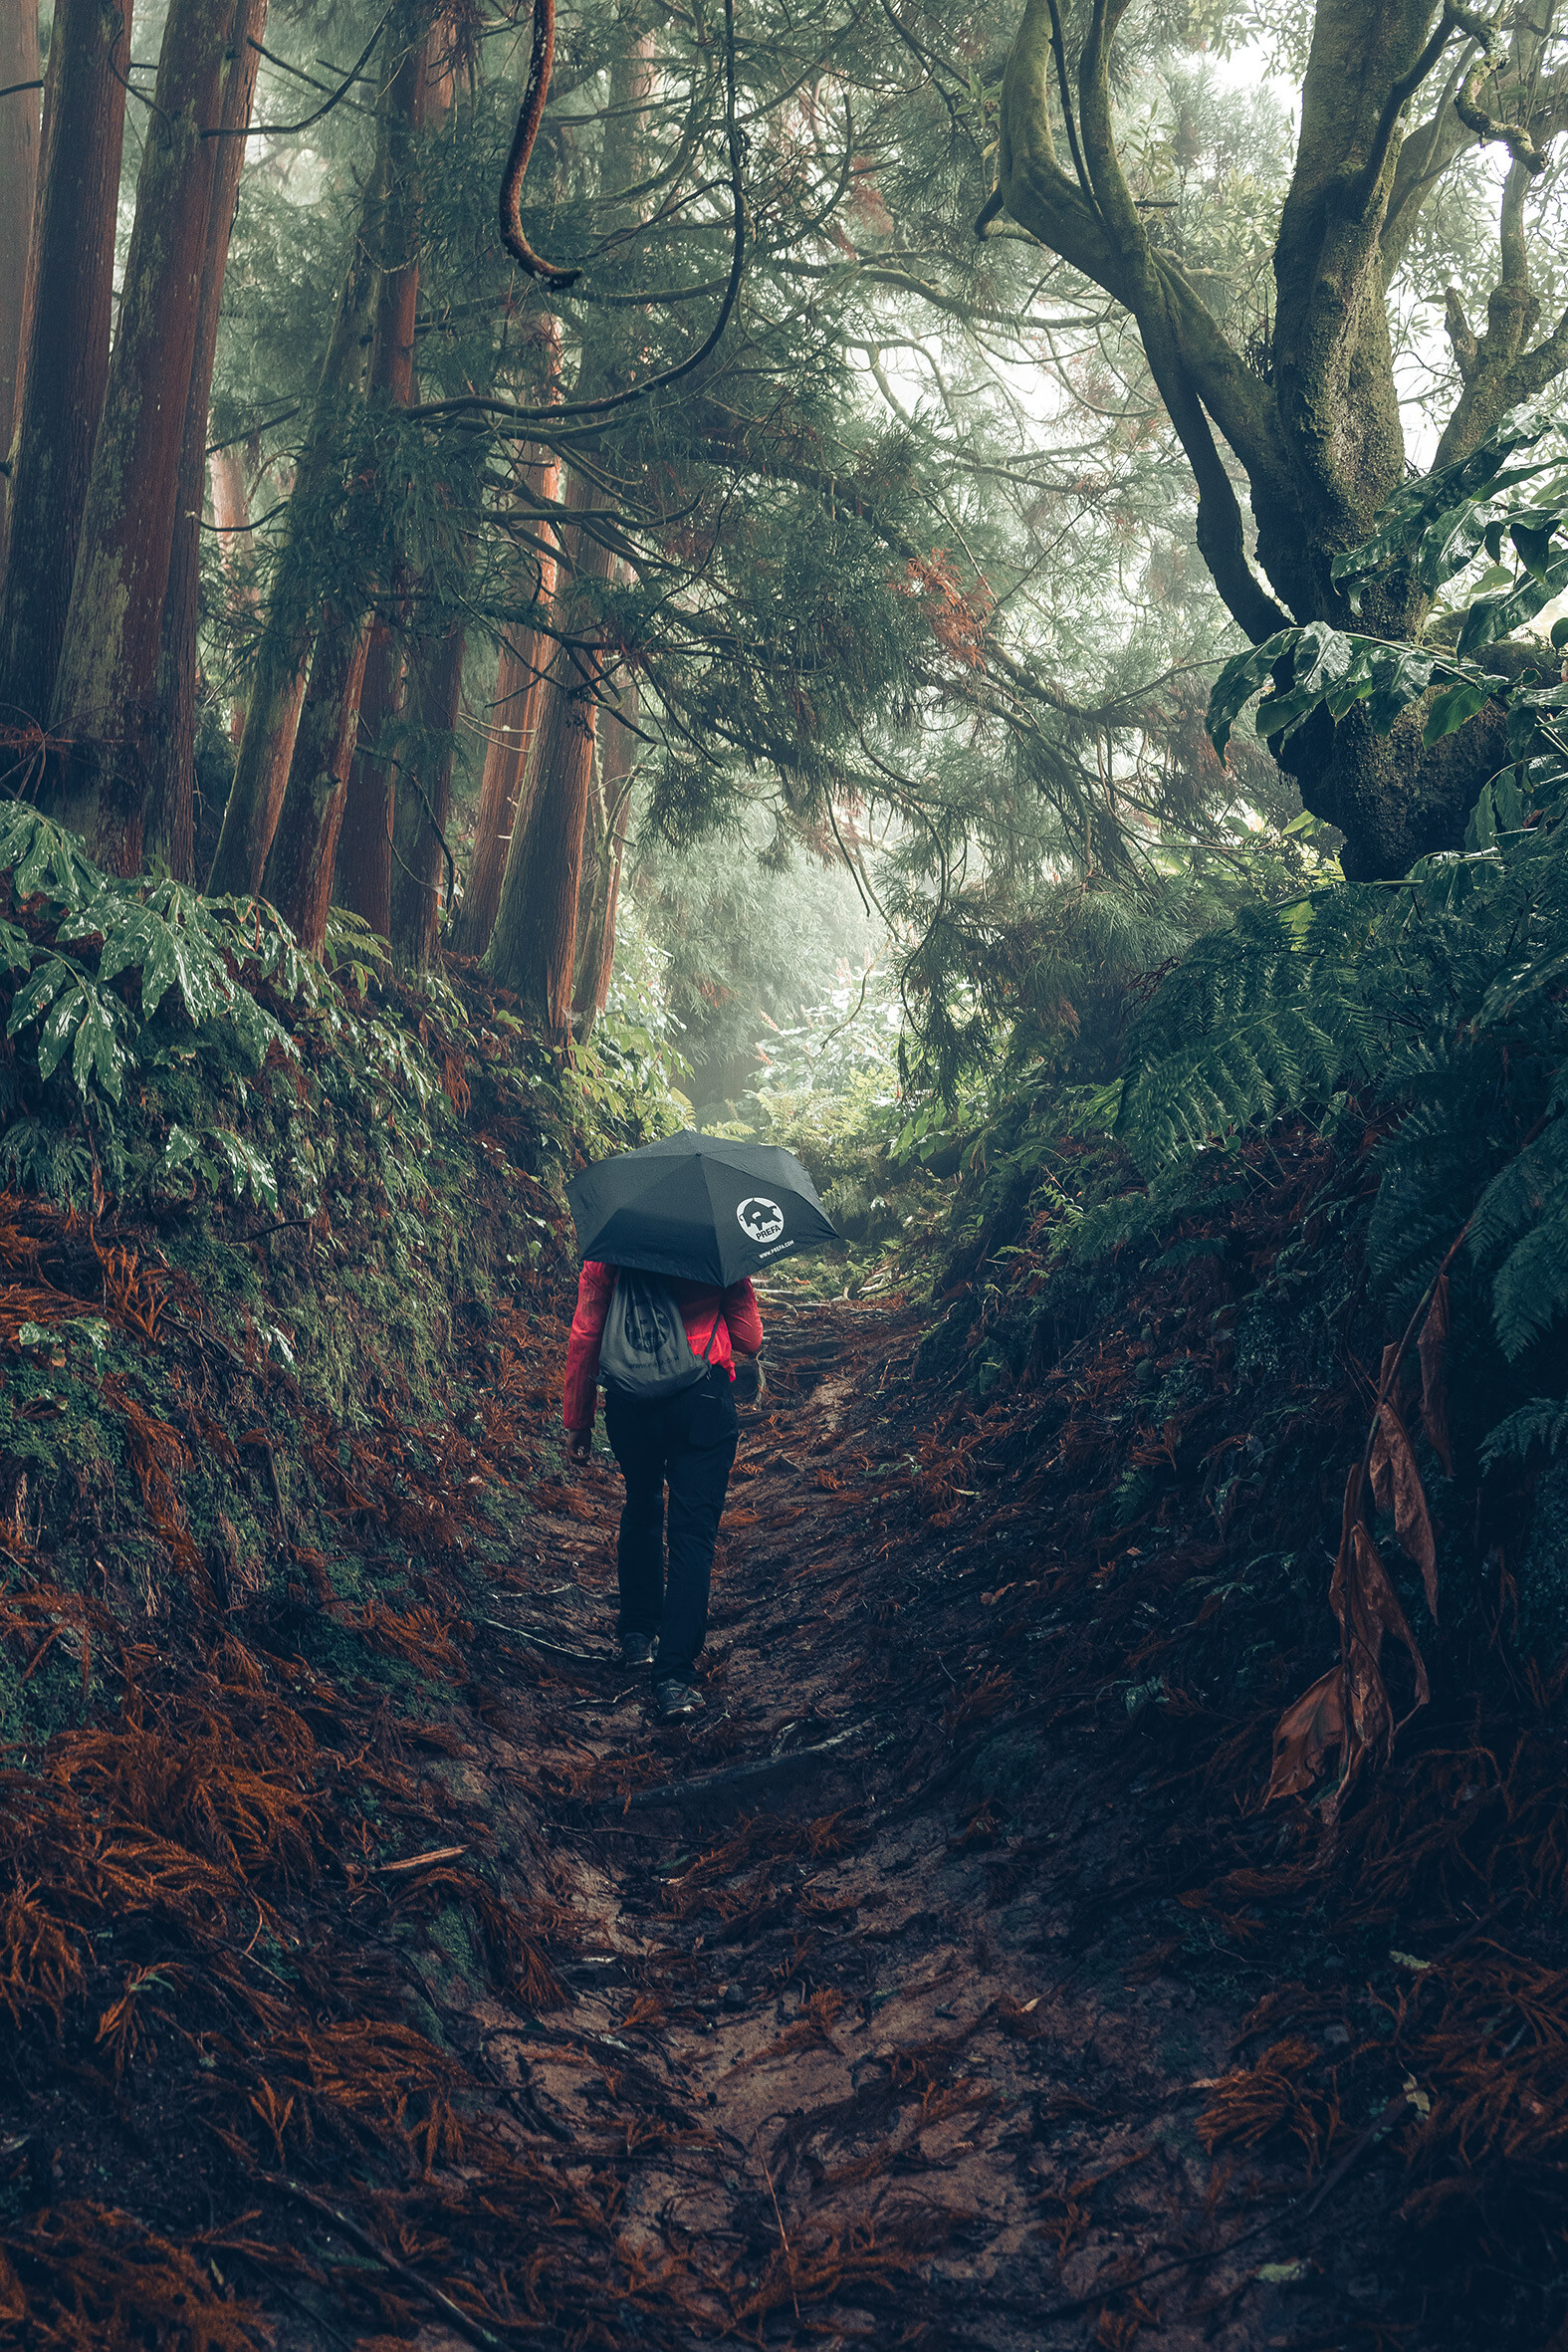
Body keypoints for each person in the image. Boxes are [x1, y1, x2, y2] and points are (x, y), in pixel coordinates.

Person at [563, 1264, 763, 1720]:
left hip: (631, 1403)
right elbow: (749, 1338)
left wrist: (578, 1418)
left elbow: (587, 1332)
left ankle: (637, 1634)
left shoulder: (610, 1248)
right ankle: (674, 1678)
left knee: (642, 1501)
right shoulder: (713, 1247)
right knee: (693, 1535)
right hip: (702, 1399)